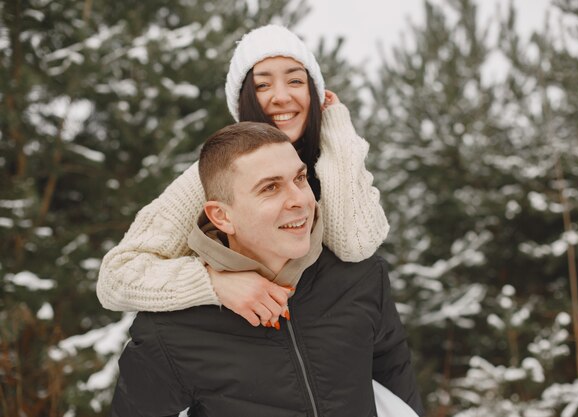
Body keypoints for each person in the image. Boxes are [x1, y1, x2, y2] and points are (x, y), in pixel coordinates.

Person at [111, 122, 423, 416]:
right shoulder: (171, 330)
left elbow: (394, 381)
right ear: (221, 217)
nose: (299, 200)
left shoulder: (361, 277)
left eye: (299, 179)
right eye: (270, 188)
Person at [97, 24, 390, 328]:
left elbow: (356, 242)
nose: (281, 96)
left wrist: (337, 130)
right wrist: (215, 283)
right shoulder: (217, 173)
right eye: (263, 86)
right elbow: (116, 277)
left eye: (295, 80)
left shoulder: (337, 161)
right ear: (243, 101)